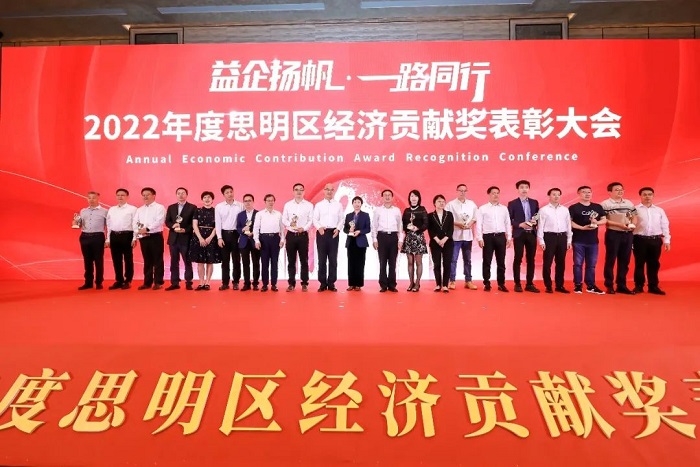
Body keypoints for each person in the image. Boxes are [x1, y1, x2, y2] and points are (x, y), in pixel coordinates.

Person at [569, 186, 607, 294]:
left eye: (589, 192)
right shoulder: (574, 207)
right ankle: (578, 285)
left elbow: (604, 219)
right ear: (579, 194)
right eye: (584, 192)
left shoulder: (597, 207)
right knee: (578, 264)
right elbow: (569, 222)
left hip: (593, 241)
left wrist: (596, 222)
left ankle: (591, 285)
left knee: (591, 265)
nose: (587, 194)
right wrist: (582, 228)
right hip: (578, 240)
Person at [601, 182, 638, 295]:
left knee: (625, 260)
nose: (620, 191)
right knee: (611, 260)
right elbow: (603, 220)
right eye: (617, 189)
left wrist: (633, 225)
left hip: (627, 234)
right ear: (610, 192)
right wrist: (619, 225)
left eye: (621, 189)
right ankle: (609, 285)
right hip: (613, 233)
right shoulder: (605, 204)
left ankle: (621, 285)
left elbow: (634, 216)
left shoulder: (628, 203)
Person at [633, 187, 671, 295]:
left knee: (654, 263)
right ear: (640, 196)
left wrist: (667, 240)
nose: (647, 197)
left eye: (649, 194)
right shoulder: (635, 209)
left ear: (653, 196)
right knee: (639, 263)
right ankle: (639, 286)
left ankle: (653, 286)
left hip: (655, 240)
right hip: (639, 239)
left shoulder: (659, 210)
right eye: (644, 194)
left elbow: (665, 225)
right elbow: (631, 225)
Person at [476, 186, 512, 292]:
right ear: (489, 194)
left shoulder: (504, 208)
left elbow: (507, 223)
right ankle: (486, 283)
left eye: (497, 193)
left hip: (501, 236)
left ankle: (501, 283)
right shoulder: (482, 208)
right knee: (487, 261)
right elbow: (479, 224)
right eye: (493, 193)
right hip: (488, 237)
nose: (496, 195)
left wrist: (509, 237)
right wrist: (479, 238)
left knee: (501, 261)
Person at [537, 188, 572, 294]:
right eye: (554, 194)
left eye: (558, 194)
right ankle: (548, 285)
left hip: (562, 237)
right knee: (547, 262)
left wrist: (569, 240)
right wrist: (541, 241)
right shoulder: (543, 210)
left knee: (561, 262)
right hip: (549, 237)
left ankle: (559, 285)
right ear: (549, 196)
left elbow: (568, 225)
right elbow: (540, 226)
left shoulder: (565, 210)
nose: (556, 196)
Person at [507, 180, 540, 293]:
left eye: (526, 187)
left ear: (529, 189)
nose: (524, 189)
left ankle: (529, 284)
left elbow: (537, 216)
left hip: (531, 233)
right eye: (521, 187)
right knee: (518, 258)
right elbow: (509, 219)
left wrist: (535, 222)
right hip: (519, 234)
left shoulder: (534, 202)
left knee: (531, 259)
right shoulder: (512, 203)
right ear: (518, 189)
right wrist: (519, 224)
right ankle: (517, 284)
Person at [282, 183, 314, 292]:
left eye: (301, 190)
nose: (299, 192)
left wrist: (303, 228)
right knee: (291, 261)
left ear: (304, 192)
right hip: (291, 235)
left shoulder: (309, 205)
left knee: (304, 260)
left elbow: (311, 220)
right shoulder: (288, 205)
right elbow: (284, 219)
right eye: (296, 190)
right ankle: (291, 283)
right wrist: (290, 224)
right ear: (293, 192)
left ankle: (304, 283)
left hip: (303, 235)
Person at [73, 191, 107, 290]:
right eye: (89, 198)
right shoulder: (83, 211)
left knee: (98, 260)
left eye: (94, 198)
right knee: (87, 260)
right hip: (85, 236)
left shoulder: (104, 211)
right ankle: (88, 282)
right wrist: (75, 223)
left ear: (98, 199)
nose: (91, 200)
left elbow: (108, 226)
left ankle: (99, 282)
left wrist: (108, 239)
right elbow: (80, 225)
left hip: (98, 237)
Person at [446, 184, 478, 290]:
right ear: (457, 191)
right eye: (460, 190)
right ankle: (452, 280)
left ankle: (468, 280)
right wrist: (457, 224)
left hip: (467, 236)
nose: (462, 192)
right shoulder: (450, 204)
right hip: (455, 236)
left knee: (467, 260)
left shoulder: (471, 204)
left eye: (464, 190)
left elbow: (475, 217)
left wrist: (470, 224)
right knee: (453, 259)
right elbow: (447, 219)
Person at [313, 183, 344, 292]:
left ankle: (331, 283)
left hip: (333, 233)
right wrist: (319, 228)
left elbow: (342, 219)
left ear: (333, 191)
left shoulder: (338, 205)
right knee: (322, 259)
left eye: (331, 190)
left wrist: (338, 229)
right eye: (327, 189)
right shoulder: (319, 205)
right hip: (322, 232)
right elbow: (315, 219)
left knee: (333, 259)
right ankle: (322, 283)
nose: (329, 192)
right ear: (324, 191)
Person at [372, 189, 404, 292]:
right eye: (385, 195)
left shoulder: (396, 210)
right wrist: (374, 239)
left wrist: (400, 240)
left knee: (393, 262)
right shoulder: (378, 210)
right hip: (381, 237)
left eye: (389, 195)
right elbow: (374, 225)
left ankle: (392, 285)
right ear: (382, 197)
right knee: (382, 262)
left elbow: (400, 226)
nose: (387, 197)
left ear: (392, 197)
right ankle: (383, 285)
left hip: (393, 237)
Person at [134, 187, 166, 290]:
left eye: (147, 195)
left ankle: (158, 282)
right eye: (143, 195)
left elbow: (159, 221)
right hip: (143, 237)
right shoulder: (139, 209)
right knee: (147, 260)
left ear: (153, 195)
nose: (145, 197)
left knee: (158, 259)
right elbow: (135, 222)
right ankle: (147, 282)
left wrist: (147, 229)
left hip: (155, 236)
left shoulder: (159, 207)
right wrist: (138, 231)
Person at [165, 187, 196, 291]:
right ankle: (175, 282)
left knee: (187, 261)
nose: (181, 195)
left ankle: (188, 282)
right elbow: (167, 221)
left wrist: (185, 230)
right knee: (174, 261)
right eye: (179, 193)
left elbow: (194, 223)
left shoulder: (192, 207)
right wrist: (172, 225)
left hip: (186, 238)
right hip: (173, 238)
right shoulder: (171, 207)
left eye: (183, 193)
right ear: (176, 195)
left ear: (187, 195)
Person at [105, 188, 137, 289]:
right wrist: (108, 239)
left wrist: (135, 238)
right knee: (116, 259)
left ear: (127, 197)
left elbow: (135, 224)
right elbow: (109, 225)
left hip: (127, 235)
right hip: (114, 235)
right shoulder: (112, 209)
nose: (120, 197)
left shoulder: (133, 209)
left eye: (122, 195)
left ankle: (128, 280)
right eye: (118, 195)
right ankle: (119, 280)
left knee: (128, 259)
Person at [189, 191, 221, 290]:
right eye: (205, 197)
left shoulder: (216, 211)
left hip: (212, 237)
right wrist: (200, 238)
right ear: (202, 199)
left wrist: (210, 237)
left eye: (209, 197)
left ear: (212, 199)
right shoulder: (197, 210)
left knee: (210, 261)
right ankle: (201, 282)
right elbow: (194, 225)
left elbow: (218, 225)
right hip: (198, 237)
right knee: (200, 262)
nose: (207, 199)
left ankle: (207, 282)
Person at [215, 184, 243, 291]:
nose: (230, 194)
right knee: (225, 261)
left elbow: (243, 222)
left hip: (236, 235)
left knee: (236, 260)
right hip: (224, 235)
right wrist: (219, 237)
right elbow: (218, 223)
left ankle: (236, 282)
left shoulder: (240, 205)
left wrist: (241, 236)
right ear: (223, 195)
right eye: (227, 192)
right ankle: (225, 283)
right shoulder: (219, 207)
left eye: (231, 191)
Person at [254, 194, 285, 292]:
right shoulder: (260, 214)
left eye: (272, 200)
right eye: (268, 200)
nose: (270, 202)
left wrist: (282, 240)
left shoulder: (278, 214)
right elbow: (256, 228)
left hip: (275, 238)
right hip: (264, 239)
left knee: (275, 263)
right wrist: (257, 240)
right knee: (264, 263)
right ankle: (265, 284)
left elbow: (282, 228)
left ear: (274, 202)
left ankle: (274, 284)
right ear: (265, 202)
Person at [401, 189, 428, 292]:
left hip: (418, 237)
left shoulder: (422, 209)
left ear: (418, 198)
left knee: (418, 262)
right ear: (409, 198)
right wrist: (407, 227)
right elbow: (402, 224)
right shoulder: (406, 211)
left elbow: (426, 224)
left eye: (416, 196)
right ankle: (411, 283)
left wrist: (418, 229)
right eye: (412, 196)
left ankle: (417, 283)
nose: (413, 198)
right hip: (409, 237)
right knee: (410, 262)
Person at [428, 194, 454, 293]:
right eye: (439, 201)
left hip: (448, 242)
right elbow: (430, 230)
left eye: (443, 201)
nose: (441, 203)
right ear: (434, 203)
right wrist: (438, 240)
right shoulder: (430, 216)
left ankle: (445, 285)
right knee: (437, 264)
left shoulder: (449, 214)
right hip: (435, 243)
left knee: (447, 264)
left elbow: (451, 229)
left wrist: (444, 239)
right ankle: (438, 284)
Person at [343, 196, 371, 291]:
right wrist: (350, 231)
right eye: (355, 202)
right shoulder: (348, 216)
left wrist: (360, 231)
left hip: (361, 242)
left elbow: (368, 229)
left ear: (361, 204)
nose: (357, 204)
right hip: (351, 241)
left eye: (358, 202)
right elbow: (345, 229)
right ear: (352, 204)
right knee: (351, 263)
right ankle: (351, 284)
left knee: (360, 263)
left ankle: (358, 284)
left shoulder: (365, 215)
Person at [236, 194, 260, 291]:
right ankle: (246, 283)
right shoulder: (240, 215)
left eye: (249, 200)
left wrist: (254, 233)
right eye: (245, 201)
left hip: (255, 241)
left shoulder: (258, 214)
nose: (247, 203)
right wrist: (242, 229)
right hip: (243, 242)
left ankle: (255, 283)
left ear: (253, 202)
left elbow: (261, 227)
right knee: (245, 264)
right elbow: (237, 228)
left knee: (256, 263)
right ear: (243, 203)